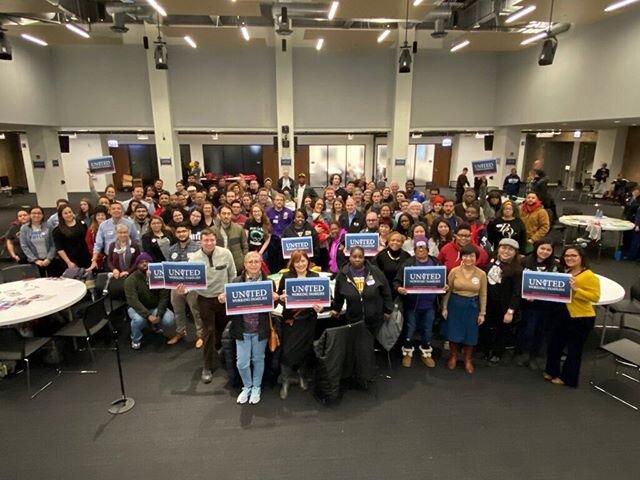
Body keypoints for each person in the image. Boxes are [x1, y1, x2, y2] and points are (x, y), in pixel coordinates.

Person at [178, 229, 237, 384]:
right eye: (206, 240)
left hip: (223, 298)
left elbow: (233, 275)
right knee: (209, 331)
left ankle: (222, 353)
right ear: (200, 241)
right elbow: (190, 282)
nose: (209, 243)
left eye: (212, 240)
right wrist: (185, 290)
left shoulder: (226, 254)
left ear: (215, 240)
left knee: (223, 329)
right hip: (204, 299)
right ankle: (207, 366)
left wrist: (229, 293)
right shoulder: (194, 259)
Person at [215, 252, 274, 404]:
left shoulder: (269, 282)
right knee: (242, 362)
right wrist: (223, 298)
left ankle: (256, 387)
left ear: (261, 264)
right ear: (245, 265)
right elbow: (229, 307)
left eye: (256, 261)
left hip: (260, 329)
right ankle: (247, 386)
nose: (254, 264)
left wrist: (276, 298)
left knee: (258, 359)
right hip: (242, 329)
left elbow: (274, 306)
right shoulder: (235, 282)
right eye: (250, 262)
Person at [544, 246, 600, 387]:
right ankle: (552, 371)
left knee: (574, 350)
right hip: (562, 314)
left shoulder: (589, 276)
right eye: (567, 256)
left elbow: (595, 297)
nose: (569, 258)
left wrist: (577, 290)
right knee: (555, 344)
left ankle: (568, 378)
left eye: (573, 255)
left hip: (580, 317)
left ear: (581, 257)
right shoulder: (565, 272)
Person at [276, 250, 323, 399]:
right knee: (287, 351)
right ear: (292, 263)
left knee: (305, 350)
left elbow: (327, 299)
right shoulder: (286, 277)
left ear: (308, 261)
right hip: (291, 321)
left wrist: (321, 306)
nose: (301, 264)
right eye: (297, 261)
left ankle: (302, 375)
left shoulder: (315, 277)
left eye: (303, 261)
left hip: (308, 320)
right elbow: (277, 298)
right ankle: (285, 379)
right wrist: (281, 298)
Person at [394, 237, 441, 368]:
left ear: (428, 249)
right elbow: (396, 281)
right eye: (418, 248)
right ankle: (407, 352)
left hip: (430, 305)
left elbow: (443, 279)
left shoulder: (435, 262)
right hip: (412, 305)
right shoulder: (408, 263)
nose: (421, 250)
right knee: (410, 329)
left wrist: (445, 286)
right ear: (414, 250)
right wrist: (399, 288)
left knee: (427, 330)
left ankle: (426, 353)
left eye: (423, 248)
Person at [441, 245, 488, 373]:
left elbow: (483, 294)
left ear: (476, 258)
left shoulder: (481, 274)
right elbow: (448, 290)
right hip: (455, 304)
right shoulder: (454, 271)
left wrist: (482, 313)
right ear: (461, 257)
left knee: (470, 335)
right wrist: (444, 307)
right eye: (466, 255)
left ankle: (468, 359)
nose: (468, 258)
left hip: (472, 306)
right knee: (453, 332)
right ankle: (453, 356)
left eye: (472, 256)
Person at [516, 237, 559, 370]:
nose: (545, 252)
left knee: (541, 330)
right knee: (528, 329)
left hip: (547, 306)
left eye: (548, 250)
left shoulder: (555, 265)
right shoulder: (525, 262)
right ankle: (524, 353)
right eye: (542, 248)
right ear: (536, 248)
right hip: (529, 305)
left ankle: (535, 355)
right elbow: (518, 281)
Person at [331, 246, 393, 336]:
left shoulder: (375, 271)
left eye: (360, 257)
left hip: (374, 317)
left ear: (364, 258)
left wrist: (388, 310)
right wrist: (336, 309)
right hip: (353, 318)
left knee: (370, 344)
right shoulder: (343, 274)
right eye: (354, 257)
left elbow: (386, 291)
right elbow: (338, 295)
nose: (357, 259)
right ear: (350, 257)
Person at [481, 238, 523, 366]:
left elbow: (517, 293)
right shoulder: (491, 263)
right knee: (487, 327)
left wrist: (510, 311)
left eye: (510, 249)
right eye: (503, 248)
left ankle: (497, 353)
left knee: (503, 330)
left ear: (515, 252)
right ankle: (486, 350)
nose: (506, 251)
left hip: (505, 305)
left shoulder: (517, 270)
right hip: (489, 303)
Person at [124, 253, 175, 350]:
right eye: (141, 262)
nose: (145, 264)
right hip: (136, 308)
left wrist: (159, 314)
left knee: (169, 319)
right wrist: (148, 315)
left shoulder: (159, 277)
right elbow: (132, 301)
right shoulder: (130, 280)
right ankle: (136, 339)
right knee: (139, 320)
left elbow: (164, 298)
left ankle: (156, 325)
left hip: (154, 307)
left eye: (147, 262)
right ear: (137, 265)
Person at [165, 223, 204, 348]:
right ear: (176, 234)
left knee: (196, 310)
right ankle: (180, 332)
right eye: (179, 232)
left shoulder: (198, 247)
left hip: (193, 286)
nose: (182, 234)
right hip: (176, 286)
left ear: (189, 232)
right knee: (178, 310)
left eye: (184, 231)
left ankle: (200, 335)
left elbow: (203, 267)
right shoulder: (171, 250)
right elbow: (169, 269)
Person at [91, 202, 139, 270]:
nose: (116, 210)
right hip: (110, 259)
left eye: (119, 208)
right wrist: (94, 260)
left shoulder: (130, 224)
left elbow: (136, 240)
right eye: (113, 209)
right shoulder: (103, 225)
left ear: (122, 211)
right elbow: (98, 244)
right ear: (109, 211)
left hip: (128, 258)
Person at [20, 206, 62, 277]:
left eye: (39, 213)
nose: (36, 215)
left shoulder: (49, 226)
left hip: (50, 260)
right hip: (35, 262)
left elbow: (53, 243)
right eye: (34, 213)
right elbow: (24, 246)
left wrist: (49, 258)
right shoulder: (24, 228)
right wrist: (35, 260)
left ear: (42, 215)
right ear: (29, 215)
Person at [106, 224, 141, 299]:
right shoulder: (112, 245)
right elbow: (109, 261)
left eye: (125, 232)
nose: (123, 235)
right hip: (118, 276)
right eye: (120, 232)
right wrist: (114, 269)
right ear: (116, 233)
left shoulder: (135, 245)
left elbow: (138, 262)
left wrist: (128, 271)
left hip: (132, 275)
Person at [52, 205, 92, 271]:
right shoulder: (57, 230)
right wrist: (69, 262)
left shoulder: (81, 223)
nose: (69, 214)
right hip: (71, 260)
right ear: (61, 215)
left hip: (85, 257)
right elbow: (59, 249)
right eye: (65, 213)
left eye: (70, 212)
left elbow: (87, 239)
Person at [213, 205, 249, 273]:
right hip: (219, 265)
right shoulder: (213, 230)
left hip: (238, 266)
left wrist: (243, 261)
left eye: (228, 214)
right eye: (224, 213)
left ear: (231, 215)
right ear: (219, 215)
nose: (226, 216)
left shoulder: (239, 229)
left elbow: (245, 247)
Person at [376, 231, 410, 298]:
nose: (395, 242)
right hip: (385, 291)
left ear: (402, 243)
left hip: (402, 292)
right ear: (388, 241)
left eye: (398, 241)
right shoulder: (381, 255)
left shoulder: (407, 256)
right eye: (392, 240)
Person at [85, 205, 109, 271]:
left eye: (102, 215)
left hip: (110, 258)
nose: (100, 217)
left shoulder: (111, 227)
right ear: (95, 217)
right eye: (98, 215)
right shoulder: (91, 230)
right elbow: (90, 246)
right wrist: (100, 256)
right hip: (98, 259)